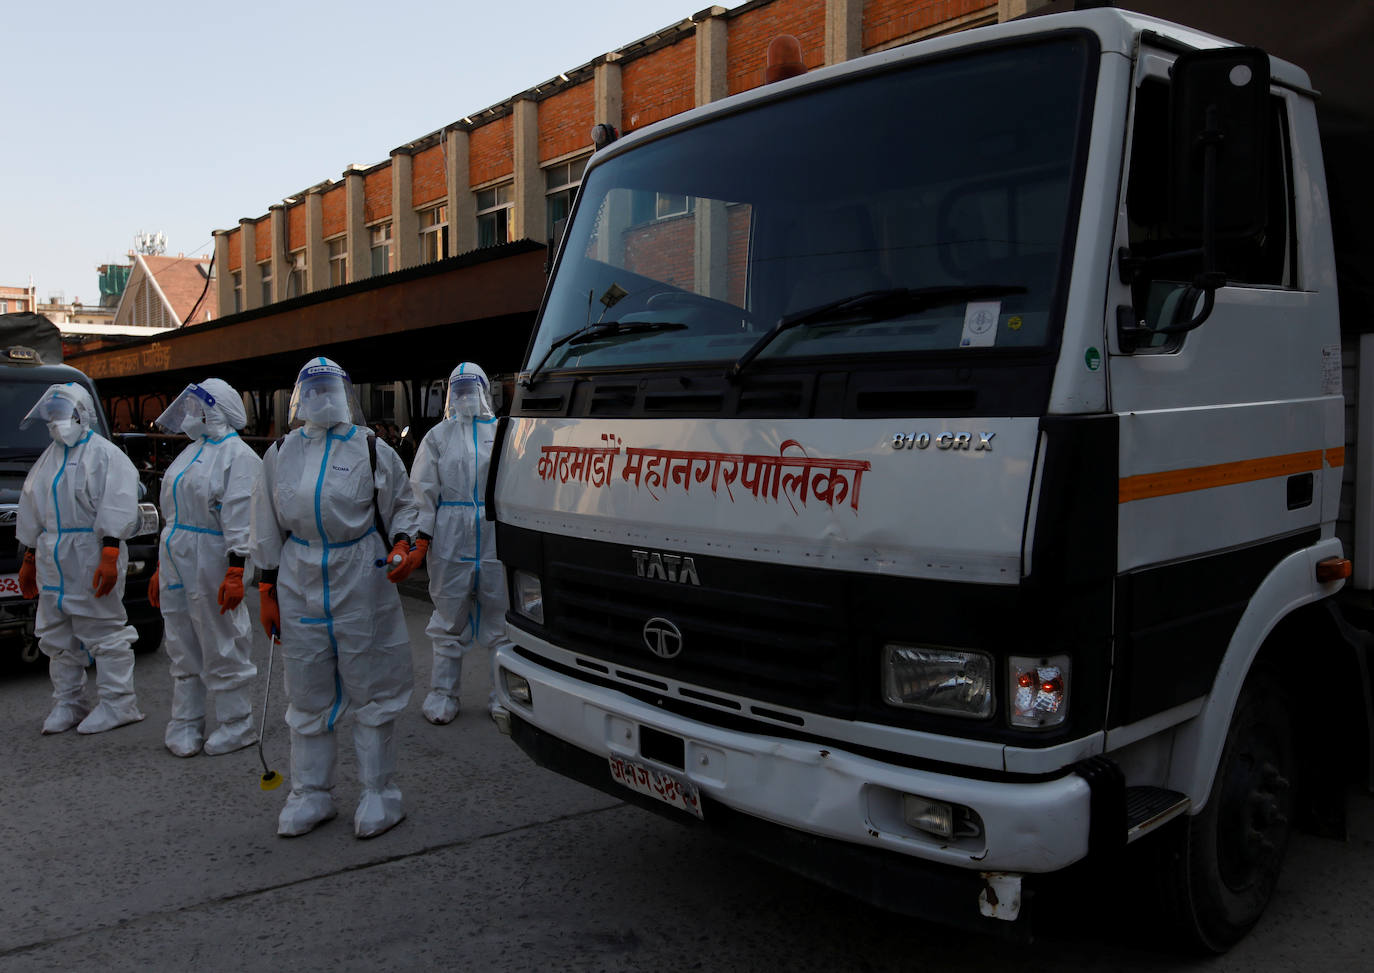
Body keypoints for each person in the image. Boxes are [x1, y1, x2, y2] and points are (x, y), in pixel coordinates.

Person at [250, 357, 424, 839]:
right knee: (306, 690)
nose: (322, 397)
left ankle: (378, 793)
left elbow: (404, 505)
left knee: (373, 687)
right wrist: (266, 587)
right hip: (299, 574)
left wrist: (405, 545)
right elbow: (265, 519)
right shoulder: (281, 452)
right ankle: (311, 793)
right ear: (299, 397)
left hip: (360, 573)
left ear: (346, 395)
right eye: (314, 388)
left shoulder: (371, 449)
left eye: (330, 388)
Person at [15, 382, 145, 734]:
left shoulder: (104, 454)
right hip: (52, 556)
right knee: (57, 634)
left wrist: (110, 550)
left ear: (81, 414)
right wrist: (28, 555)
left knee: (103, 629)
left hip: (90, 551)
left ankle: (119, 703)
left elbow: (119, 501)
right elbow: (32, 506)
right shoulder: (50, 457)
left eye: (63, 413)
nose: (57, 422)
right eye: (52, 415)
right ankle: (69, 703)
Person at [149, 379, 263, 757]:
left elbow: (242, 516)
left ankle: (237, 723)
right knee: (181, 638)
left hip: (214, 554)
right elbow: (174, 515)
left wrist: (236, 569)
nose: (190, 414)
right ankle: (185, 722)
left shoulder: (238, 456)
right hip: (178, 554)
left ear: (216, 409)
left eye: (198, 407)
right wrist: (160, 567)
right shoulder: (193, 452)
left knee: (221, 636)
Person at [409, 362, 511, 726]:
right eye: (459, 390)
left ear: (485, 392)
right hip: (450, 533)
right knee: (449, 617)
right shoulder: (438, 436)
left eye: (472, 389)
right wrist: (421, 540)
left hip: (494, 532)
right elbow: (422, 492)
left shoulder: (503, 432)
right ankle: (443, 693)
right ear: (450, 394)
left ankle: (504, 695)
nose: (466, 396)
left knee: (502, 619)